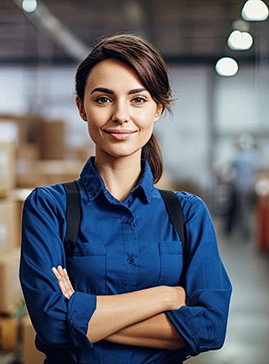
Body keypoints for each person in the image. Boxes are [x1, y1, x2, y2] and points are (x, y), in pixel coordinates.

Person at [19, 33, 232, 363]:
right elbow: (51, 325)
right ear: (81, 107)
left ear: (157, 108)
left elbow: (210, 328)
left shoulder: (187, 213)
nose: (120, 115)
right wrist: (166, 296)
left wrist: (81, 312)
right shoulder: (50, 207)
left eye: (138, 100)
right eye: (103, 99)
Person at [224, 134, 260, 240]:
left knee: (242, 209)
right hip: (249, 186)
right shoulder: (253, 156)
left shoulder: (238, 157)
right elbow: (257, 170)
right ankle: (244, 229)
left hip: (239, 186)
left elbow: (229, 167)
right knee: (246, 208)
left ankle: (244, 230)